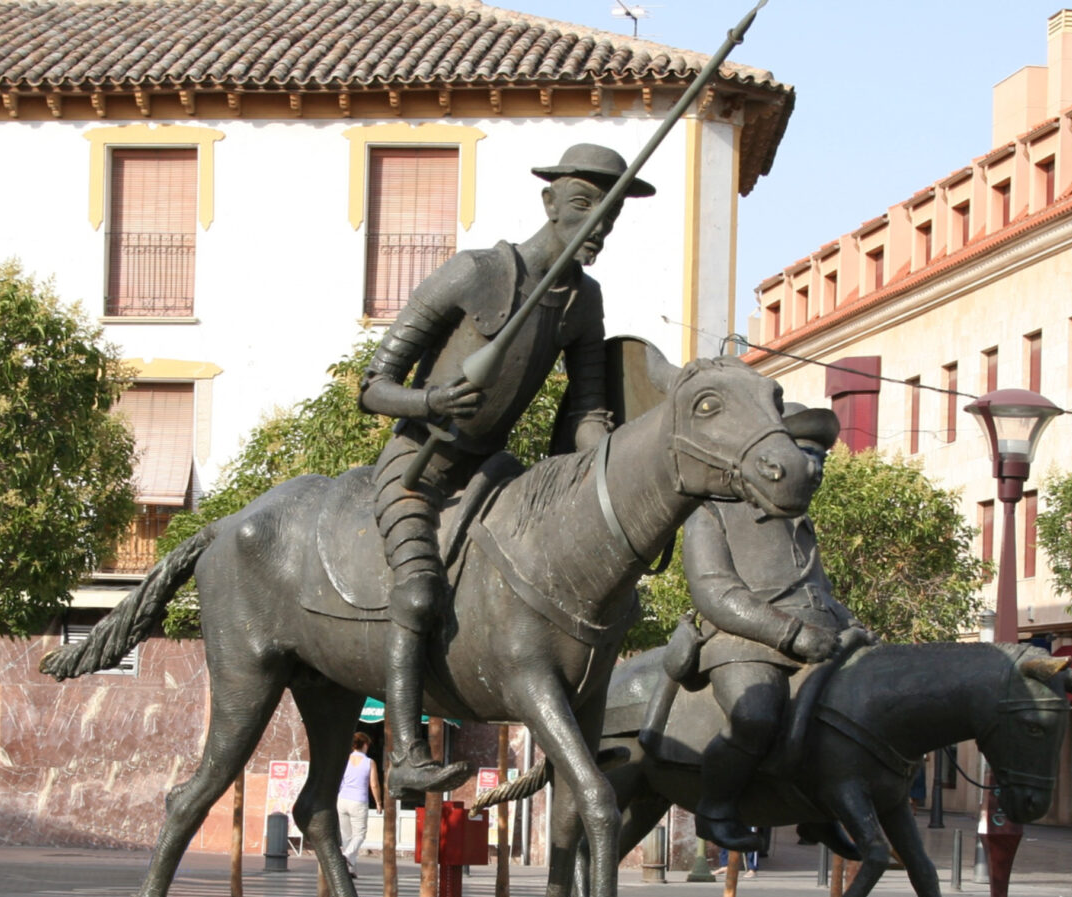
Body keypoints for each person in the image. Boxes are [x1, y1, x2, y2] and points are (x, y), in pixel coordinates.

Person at [358, 143, 649, 796]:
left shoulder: (583, 303)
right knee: (417, 591)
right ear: (550, 203)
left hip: (493, 474)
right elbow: (372, 386)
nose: (598, 224)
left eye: (611, 214)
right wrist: (429, 402)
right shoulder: (473, 273)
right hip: (418, 466)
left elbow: (584, 410)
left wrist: (608, 460)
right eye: (584, 206)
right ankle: (406, 749)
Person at [682, 409, 868, 853]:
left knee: (858, 714)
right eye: (806, 456)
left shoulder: (800, 522)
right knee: (756, 714)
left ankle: (817, 811)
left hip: (815, 638)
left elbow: (816, 589)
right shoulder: (712, 510)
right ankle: (715, 809)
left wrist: (852, 623)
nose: (816, 469)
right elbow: (714, 593)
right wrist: (789, 635)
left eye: (821, 460)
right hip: (739, 641)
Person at [337, 733, 382, 869]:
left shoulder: (345, 759)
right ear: (365, 745)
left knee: (347, 836)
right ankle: (346, 855)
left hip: (342, 799)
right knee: (360, 835)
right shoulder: (369, 762)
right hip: (358, 801)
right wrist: (378, 802)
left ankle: (350, 869)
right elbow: (373, 784)